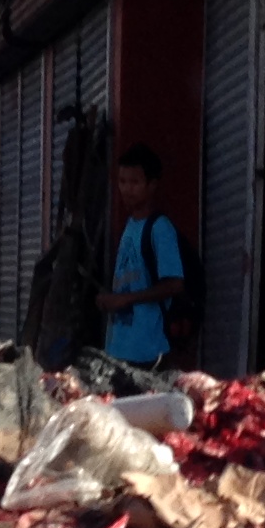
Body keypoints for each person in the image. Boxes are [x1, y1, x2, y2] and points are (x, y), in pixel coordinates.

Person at [95, 143, 185, 368]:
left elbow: (175, 284)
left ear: (152, 185)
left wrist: (125, 299)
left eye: (135, 182)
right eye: (122, 181)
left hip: (149, 354)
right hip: (119, 351)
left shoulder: (160, 228)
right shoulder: (130, 226)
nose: (127, 189)